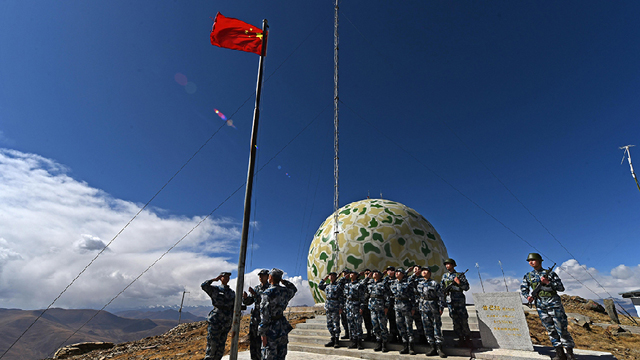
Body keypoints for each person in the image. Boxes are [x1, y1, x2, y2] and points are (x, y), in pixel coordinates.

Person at [521, 253, 576, 360]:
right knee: (550, 329)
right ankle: (559, 353)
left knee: (561, 328)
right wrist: (528, 297)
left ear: (540, 261)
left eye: (533, 260)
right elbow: (524, 288)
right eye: (529, 261)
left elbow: (561, 288)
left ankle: (569, 353)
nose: (531, 262)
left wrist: (548, 282)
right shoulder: (528, 276)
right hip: (541, 305)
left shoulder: (550, 274)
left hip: (554, 303)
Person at [259, 268, 297, 360]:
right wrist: (284, 282)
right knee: (281, 355)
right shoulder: (285, 291)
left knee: (269, 355)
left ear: (270, 277)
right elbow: (294, 289)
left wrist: (263, 333)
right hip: (282, 327)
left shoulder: (267, 293)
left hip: (271, 329)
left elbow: (264, 314)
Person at [201, 271, 235, 360]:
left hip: (226, 322)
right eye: (224, 276)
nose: (226, 278)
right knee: (212, 346)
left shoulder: (232, 293)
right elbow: (204, 286)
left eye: (228, 277)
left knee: (220, 347)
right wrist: (214, 280)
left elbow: (233, 307)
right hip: (216, 321)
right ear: (221, 278)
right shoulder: (215, 289)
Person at [416, 266, 447, 358]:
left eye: (426, 271)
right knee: (427, 327)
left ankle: (439, 348)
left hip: (433, 306)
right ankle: (432, 347)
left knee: (436, 327)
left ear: (429, 273)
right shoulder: (419, 283)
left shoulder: (434, 283)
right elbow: (417, 295)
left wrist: (441, 307)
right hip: (423, 308)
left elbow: (441, 296)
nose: (424, 272)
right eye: (423, 271)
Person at [441, 258, 471, 347]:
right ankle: (460, 338)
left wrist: (459, 283)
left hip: (459, 300)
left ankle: (468, 338)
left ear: (453, 265)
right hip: (450, 301)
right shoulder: (444, 276)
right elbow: (442, 288)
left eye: (449, 264)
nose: (447, 266)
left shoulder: (459, 275)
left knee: (463, 320)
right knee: (455, 321)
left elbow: (466, 287)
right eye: (446, 264)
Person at [242, 269, 270, 360]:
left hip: (264, 318)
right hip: (255, 319)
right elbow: (249, 302)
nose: (261, 277)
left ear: (268, 276)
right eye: (260, 276)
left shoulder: (270, 288)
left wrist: (255, 294)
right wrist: (245, 298)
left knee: (264, 342)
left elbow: (265, 301)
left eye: (263, 275)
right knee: (254, 341)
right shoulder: (257, 288)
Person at [390, 268, 416, 355]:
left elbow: (412, 296)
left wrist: (413, 307)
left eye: (399, 272)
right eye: (396, 272)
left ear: (403, 274)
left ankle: (411, 346)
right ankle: (405, 345)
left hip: (406, 306)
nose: (397, 273)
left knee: (409, 326)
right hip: (397, 307)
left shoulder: (407, 283)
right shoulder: (393, 283)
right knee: (400, 327)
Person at [318, 271, 344, 348]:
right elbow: (320, 286)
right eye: (330, 276)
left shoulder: (338, 286)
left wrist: (341, 307)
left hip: (335, 307)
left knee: (336, 324)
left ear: (335, 277)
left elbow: (341, 298)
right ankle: (332, 338)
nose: (331, 277)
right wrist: (324, 279)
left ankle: (336, 340)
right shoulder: (327, 286)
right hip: (328, 307)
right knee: (329, 324)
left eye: (333, 276)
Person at [367, 269, 390, 352]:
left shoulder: (383, 283)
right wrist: (367, 277)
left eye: (377, 273)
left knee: (382, 325)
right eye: (374, 273)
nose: (374, 274)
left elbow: (387, 295)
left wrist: (386, 306)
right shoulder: (369, 283)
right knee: (375, 325)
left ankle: (384, 343)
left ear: (380, 275)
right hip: (372, 307)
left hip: (381, 307)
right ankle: (378, 341)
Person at [343, 270, 366, 350]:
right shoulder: (347, 285)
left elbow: (362, 297)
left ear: (356, 275)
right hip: (349, 307)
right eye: (350, 274)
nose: (351, 275)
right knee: (351, 325)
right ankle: (353, 341)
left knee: (358, 325)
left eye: (353, 274)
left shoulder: (359, 285)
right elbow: (345, 297)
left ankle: (359, 342)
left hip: (356, 306)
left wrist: (361, 307)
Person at [408, 265, 426, 343]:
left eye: (418, 269)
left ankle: (423, 336)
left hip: (421, 301)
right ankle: (414, 337)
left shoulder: (423, 279)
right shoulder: (411, 278)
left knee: (422, 320)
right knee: (413, 320)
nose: (417, 270)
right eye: (415, 269)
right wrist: (414, 274)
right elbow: (408, 282)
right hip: (412, 301)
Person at [383, 265, 400, 343]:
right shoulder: (385, 280)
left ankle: (400, 335)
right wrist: (383, 274)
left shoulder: (398, 280)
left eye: (392, 270)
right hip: (389, 303)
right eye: (388, 270)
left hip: (397, 302)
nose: (390, 272)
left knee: (399, 320)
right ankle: (393, 335)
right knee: (391, 320)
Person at [360, 269, 374, 341]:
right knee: (367, 320)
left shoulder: (373, 282)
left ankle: (374, 334)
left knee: (373, 320)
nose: (367, 274)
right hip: (365, 304)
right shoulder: (362, 282)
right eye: (366, 273)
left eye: (369, 273)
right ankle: (369, 334)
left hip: (372, 304)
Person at [338, 268, 351, 340]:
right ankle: (347, 333)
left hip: (349, 303)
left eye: (345, 273)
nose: (344, 274)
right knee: (343, 320)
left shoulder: (349, 282)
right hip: (342, 303)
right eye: (343, 272)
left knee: (350, 319)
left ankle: (351, 333)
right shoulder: (341, 281)